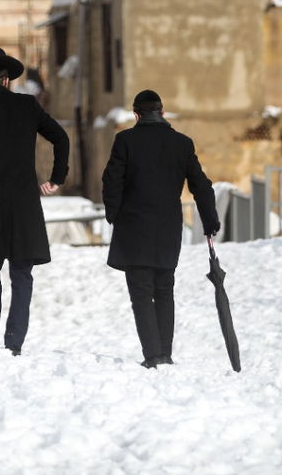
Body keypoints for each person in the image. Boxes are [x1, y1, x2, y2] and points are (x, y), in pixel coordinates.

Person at [0, 47, 70, 356]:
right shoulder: (27, 106)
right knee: (21, 272)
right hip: (24, 201)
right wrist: (56, 178)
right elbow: (61, 137)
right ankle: (14, 340)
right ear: (6, 80)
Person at [102, 89, 220, 368]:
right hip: (168, 227)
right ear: (162, 112)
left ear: (136, 114)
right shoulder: (182, 143)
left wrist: (113, 213)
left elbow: (112, 181)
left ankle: (153, 355)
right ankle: (164, 353)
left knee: (141, 292)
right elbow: (201, 185)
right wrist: (210, 220)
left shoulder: (125, 141)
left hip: (134, 227)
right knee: (165, 289)